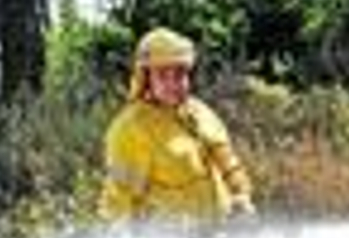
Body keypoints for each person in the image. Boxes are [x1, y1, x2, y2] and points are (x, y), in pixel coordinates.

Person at [100, 27, 254, 224]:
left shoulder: (200, 112)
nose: (173, 83)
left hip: (221, 235)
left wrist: (241, 194)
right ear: (146, 79)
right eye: (162, 75)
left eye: (180, 74)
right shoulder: (131, 127)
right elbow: (120, 195)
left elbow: (228, 162)